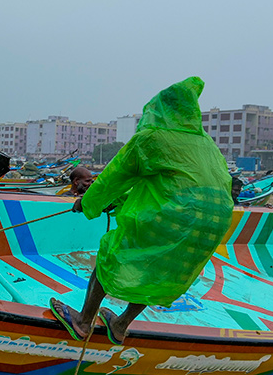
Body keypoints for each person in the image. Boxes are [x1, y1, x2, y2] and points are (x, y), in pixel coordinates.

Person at [49, 77, 234, 344]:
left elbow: (114, 177)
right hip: (215, 222)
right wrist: (120, 201)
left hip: (175, 215)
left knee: (110, 254)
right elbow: (173, 187)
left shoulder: (152, 138)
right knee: (163, 271)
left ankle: (82, 321)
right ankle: (121, 325)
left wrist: (87, 203)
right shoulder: (207, 145)